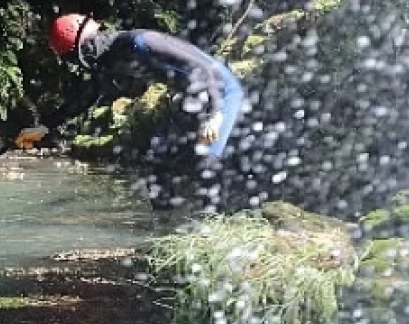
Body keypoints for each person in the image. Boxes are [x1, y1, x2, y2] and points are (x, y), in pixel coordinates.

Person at [15, 14, 245, 210]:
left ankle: (217, 223)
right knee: (158, 162)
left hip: (222, 92)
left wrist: (215, 114)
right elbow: (85, 99)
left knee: (207, 159)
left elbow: (203, 70)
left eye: (78, 55)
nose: (80, 61)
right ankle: (164, 227)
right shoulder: (109, 59)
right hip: (191, 98)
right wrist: (44, 127)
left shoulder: (142, 42)